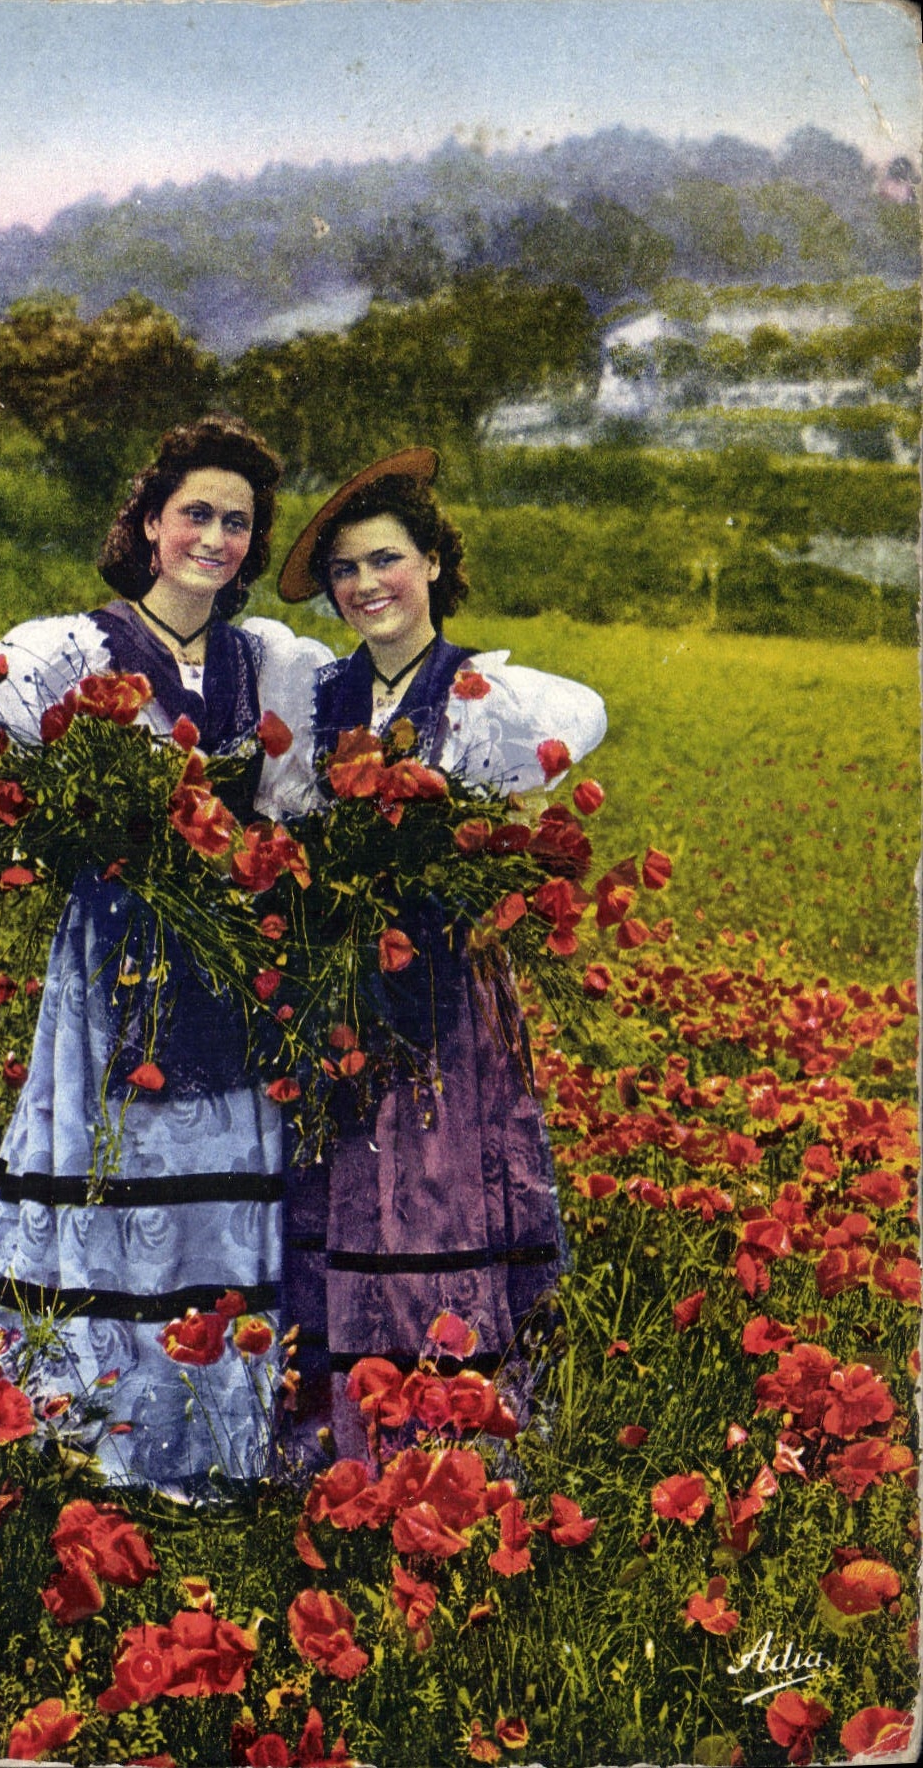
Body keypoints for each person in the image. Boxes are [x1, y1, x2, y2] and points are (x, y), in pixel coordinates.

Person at [0, 416, 331, 1493]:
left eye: (237, 521)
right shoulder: (80, 649)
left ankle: (213, 1429)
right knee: (114, 1156)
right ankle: (98, 1415)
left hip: (235, 956)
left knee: (221, 1167)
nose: (215, 536)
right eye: (195, 512)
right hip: (117, 952)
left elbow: (312, 791)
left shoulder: (273, 662)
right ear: (150, 523)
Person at [275, 448, 607, 1460]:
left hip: (444, 985)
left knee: (434, 1175)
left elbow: (506, 832)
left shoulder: (481, 695)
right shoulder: (322, 694)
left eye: (385, 560)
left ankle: (445, 1433)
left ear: (431, 563)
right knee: (341, 1179)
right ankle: (337, 1430)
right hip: (337, 981)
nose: (365, 584)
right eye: (345, 571)